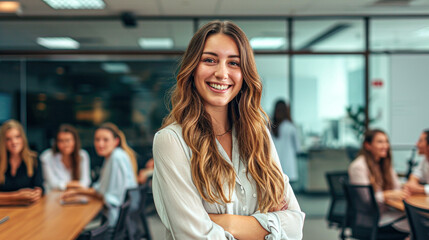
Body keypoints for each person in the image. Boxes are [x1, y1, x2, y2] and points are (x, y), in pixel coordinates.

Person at [152, 20, 304, 240]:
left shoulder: (258, 134)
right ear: (193, 68)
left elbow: (295, 226)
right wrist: (268, 228)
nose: (221, 73)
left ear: (245, 74)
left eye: (233, 63)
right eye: (210, 60)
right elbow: (194, 236)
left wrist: (227, 223)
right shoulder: (171, 141)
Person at [62, 122, 137, 227]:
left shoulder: (116, 158)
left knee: (73, 226)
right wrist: (77, 192)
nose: (100, 144)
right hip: (119, 221)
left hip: (114, 224)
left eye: (105, 140)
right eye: (97, 140)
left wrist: (79, 193)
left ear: (116, 141)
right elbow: (100, 190)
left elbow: (111, 198)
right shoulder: (112, 156)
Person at [348, 129, 409, 236]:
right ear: (368, 145)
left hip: (384, 213)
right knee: (416, 227)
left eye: (386, 141)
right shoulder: (358, 167)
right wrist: (387, 195)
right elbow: (367, 200)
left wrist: (400, 191)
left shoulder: (384, 163)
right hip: (371, 219)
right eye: (380, 142)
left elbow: (397, 188)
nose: (385, 146)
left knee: (417, 224)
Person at [0, 119, 43, 205]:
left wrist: (37, 193)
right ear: (3, 142)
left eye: (17, 137)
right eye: (8, 139)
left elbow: (39, 187)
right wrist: (16, 196)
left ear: (23, 138)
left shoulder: (34, 159)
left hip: (27, 210)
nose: (14, 142)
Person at [40, 124, 91, 192]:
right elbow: (53, 184)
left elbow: (86, 182)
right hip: (53, 197)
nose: (65, 144)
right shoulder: (47, 157)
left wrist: (64, 185)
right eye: (61, 141)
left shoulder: (82, 156)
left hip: (76, 195)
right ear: (56, 143)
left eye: (68, 140)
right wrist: (75, 184)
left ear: (75, 141)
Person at [272, 100, 300, 187]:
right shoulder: (290, 127)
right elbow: (298, 148)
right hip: (288, 167)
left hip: (274, 165)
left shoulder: (269, 126)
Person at [404, 129, 429, 195]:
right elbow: (415, 174)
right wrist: (412, 184)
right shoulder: (425, 160)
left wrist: (420, 189)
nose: (417, 144)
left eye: (420, 141)